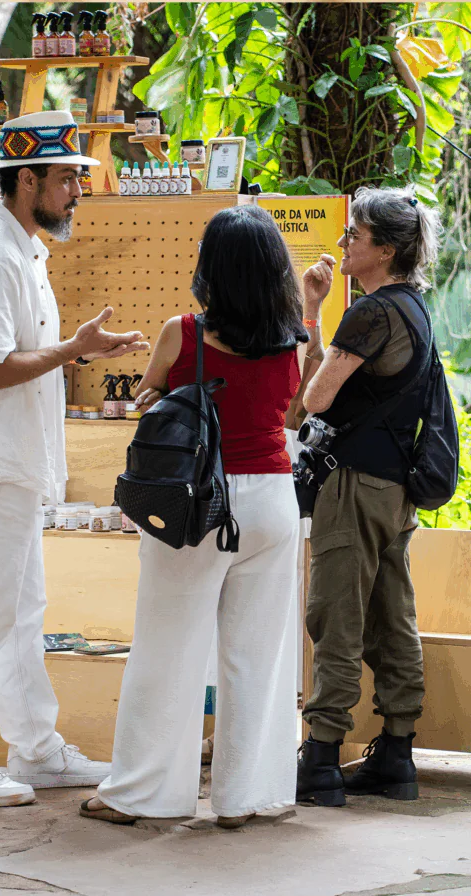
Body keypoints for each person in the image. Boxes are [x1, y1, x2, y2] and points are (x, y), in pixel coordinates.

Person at [0, 111, 149, 808]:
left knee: (20, 613)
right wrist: (75, 349)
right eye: (66, 179)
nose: (78, 190)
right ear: (27, 181)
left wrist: (81, 348)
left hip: (10, 466)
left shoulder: (21, 247)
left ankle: (35, 750)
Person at [79, 205, 332, 827]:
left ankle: (142, 794)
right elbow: (299, 412)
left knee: (169, 646)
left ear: (209, 267)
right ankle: (247, 797)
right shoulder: (295, 337)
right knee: (259, 655)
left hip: (198, 502)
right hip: (272, 501)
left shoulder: (183, 332)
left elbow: (151, 398)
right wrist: (314, 310)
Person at [296, 186, 441, 807]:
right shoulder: (415, 309)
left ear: (383, 249)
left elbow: (314, 400)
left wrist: (314, 319)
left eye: (353, 235)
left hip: (353, 483)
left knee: (337, 615)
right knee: (392, 614)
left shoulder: (372, 312)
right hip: (396, 488)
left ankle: (321, 758)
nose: (343, 243)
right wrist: (314, 307)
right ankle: (397, 753)